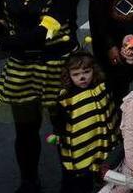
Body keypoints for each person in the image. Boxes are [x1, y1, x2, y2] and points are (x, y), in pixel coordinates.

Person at [0, 0, 81, 193]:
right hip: (21, 69)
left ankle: (72, 180)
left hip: (57, 67)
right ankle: (29, 182)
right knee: (25, 131)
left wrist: (2, 43)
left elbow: (44, 32)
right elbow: (0, 18)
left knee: (65, 129)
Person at [54, 52, 116, 193]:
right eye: (76, 74)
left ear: (94, 70)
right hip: (80, 143)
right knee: (79, 179)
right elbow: (59, 119)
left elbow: (110, 109)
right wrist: (58, 134)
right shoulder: (66, 97)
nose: (82, 77)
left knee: (99, 169)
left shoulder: (101, 88)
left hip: (97, 140)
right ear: (68, 75)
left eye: (86, 72)